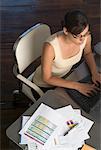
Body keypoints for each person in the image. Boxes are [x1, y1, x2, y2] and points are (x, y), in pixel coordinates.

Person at [33, 10, 101, 97]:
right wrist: (77, 86)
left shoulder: (85, 37)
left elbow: (87, 53)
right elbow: (47, 78)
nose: (83, 39)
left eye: (86, 34)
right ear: (65, 31)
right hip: (45, 85)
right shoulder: (50, 47)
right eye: (79, 36)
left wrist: (94, 72)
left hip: (67, 77)